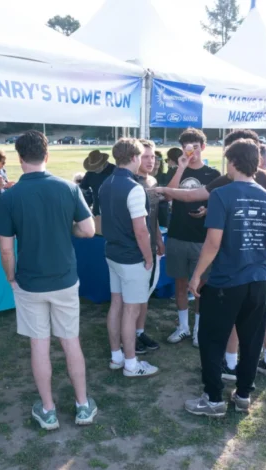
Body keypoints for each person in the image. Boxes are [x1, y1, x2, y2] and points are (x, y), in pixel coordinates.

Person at [154, 129, 266, 381]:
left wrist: (164, 190)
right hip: (260, 261)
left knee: (232, 313)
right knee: (263, 310)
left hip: (232, 261)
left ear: (234, 157)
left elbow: (202, 215)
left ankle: (229, 364)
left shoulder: (227, 184)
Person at [0, 130, 98, 430]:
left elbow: (5, 249)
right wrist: (70, 231)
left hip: (29, 283)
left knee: (39, 345)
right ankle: (82, 405)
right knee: (70, 342)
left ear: (20, 158)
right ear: (47, 155)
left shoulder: (11, 196)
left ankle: (49, 410)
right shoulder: (68, 187)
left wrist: (11, 277)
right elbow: (88, 230)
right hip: (64, 279)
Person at [183, 139, 266, 418]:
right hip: (258, 280)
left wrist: (197, 275)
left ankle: (213, 399)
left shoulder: (222, 195)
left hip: (226, 281)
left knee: (212, 339)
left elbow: (213, 243)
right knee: (252, 340)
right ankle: (243, 395)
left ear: (234, 162)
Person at [99, 138, 159, 377]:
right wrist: (149, 258)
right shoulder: (134, 188)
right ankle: (131, 364)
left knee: (117, 305)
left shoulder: (106, 183)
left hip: (112, 253)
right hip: (131, 257)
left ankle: (117, 357)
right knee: (131, 310)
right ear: (134, 158)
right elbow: (141, 230)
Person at [164, 129, 221, 347]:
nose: (192, 153)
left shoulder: (213, 174)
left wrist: (207, 211)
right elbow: (168, 193)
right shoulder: (176, 170)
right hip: (178, 234)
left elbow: (219, 203)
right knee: (180, 284)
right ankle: (183, 327)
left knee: (200, 287)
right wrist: (181, 168)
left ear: (203, 148)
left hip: (201, 239)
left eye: (196, 148)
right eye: (188, 148)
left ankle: (198, 328)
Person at [134, 139, 165, 354]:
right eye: (145, 156)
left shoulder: (152, 181)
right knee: (134, 296)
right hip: (135, 247)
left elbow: (152, 217)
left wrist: (160, 240)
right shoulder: (131, 183)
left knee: (146, 293)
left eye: (153, 156)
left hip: (152, 243)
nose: (150, 160)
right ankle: (130, 335)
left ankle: (139, 332)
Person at [79, 150, 116, 216]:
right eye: (93, 168)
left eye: (97, 167)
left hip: (113, 211)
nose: (95, 169)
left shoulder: (115, 171)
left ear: (103, 162)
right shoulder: (90, 173)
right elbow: (83, 189)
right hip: (97, 212)